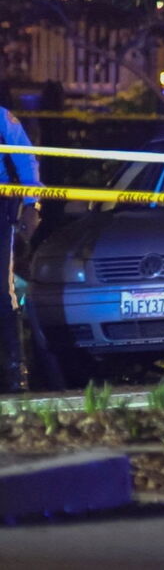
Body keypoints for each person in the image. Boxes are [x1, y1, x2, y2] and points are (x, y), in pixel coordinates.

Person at [0, 106, 42, 392]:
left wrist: (31, 205)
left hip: (2, 205)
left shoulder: (2, 118)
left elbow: (26, 160)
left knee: (2, 291)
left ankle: (16, 371)